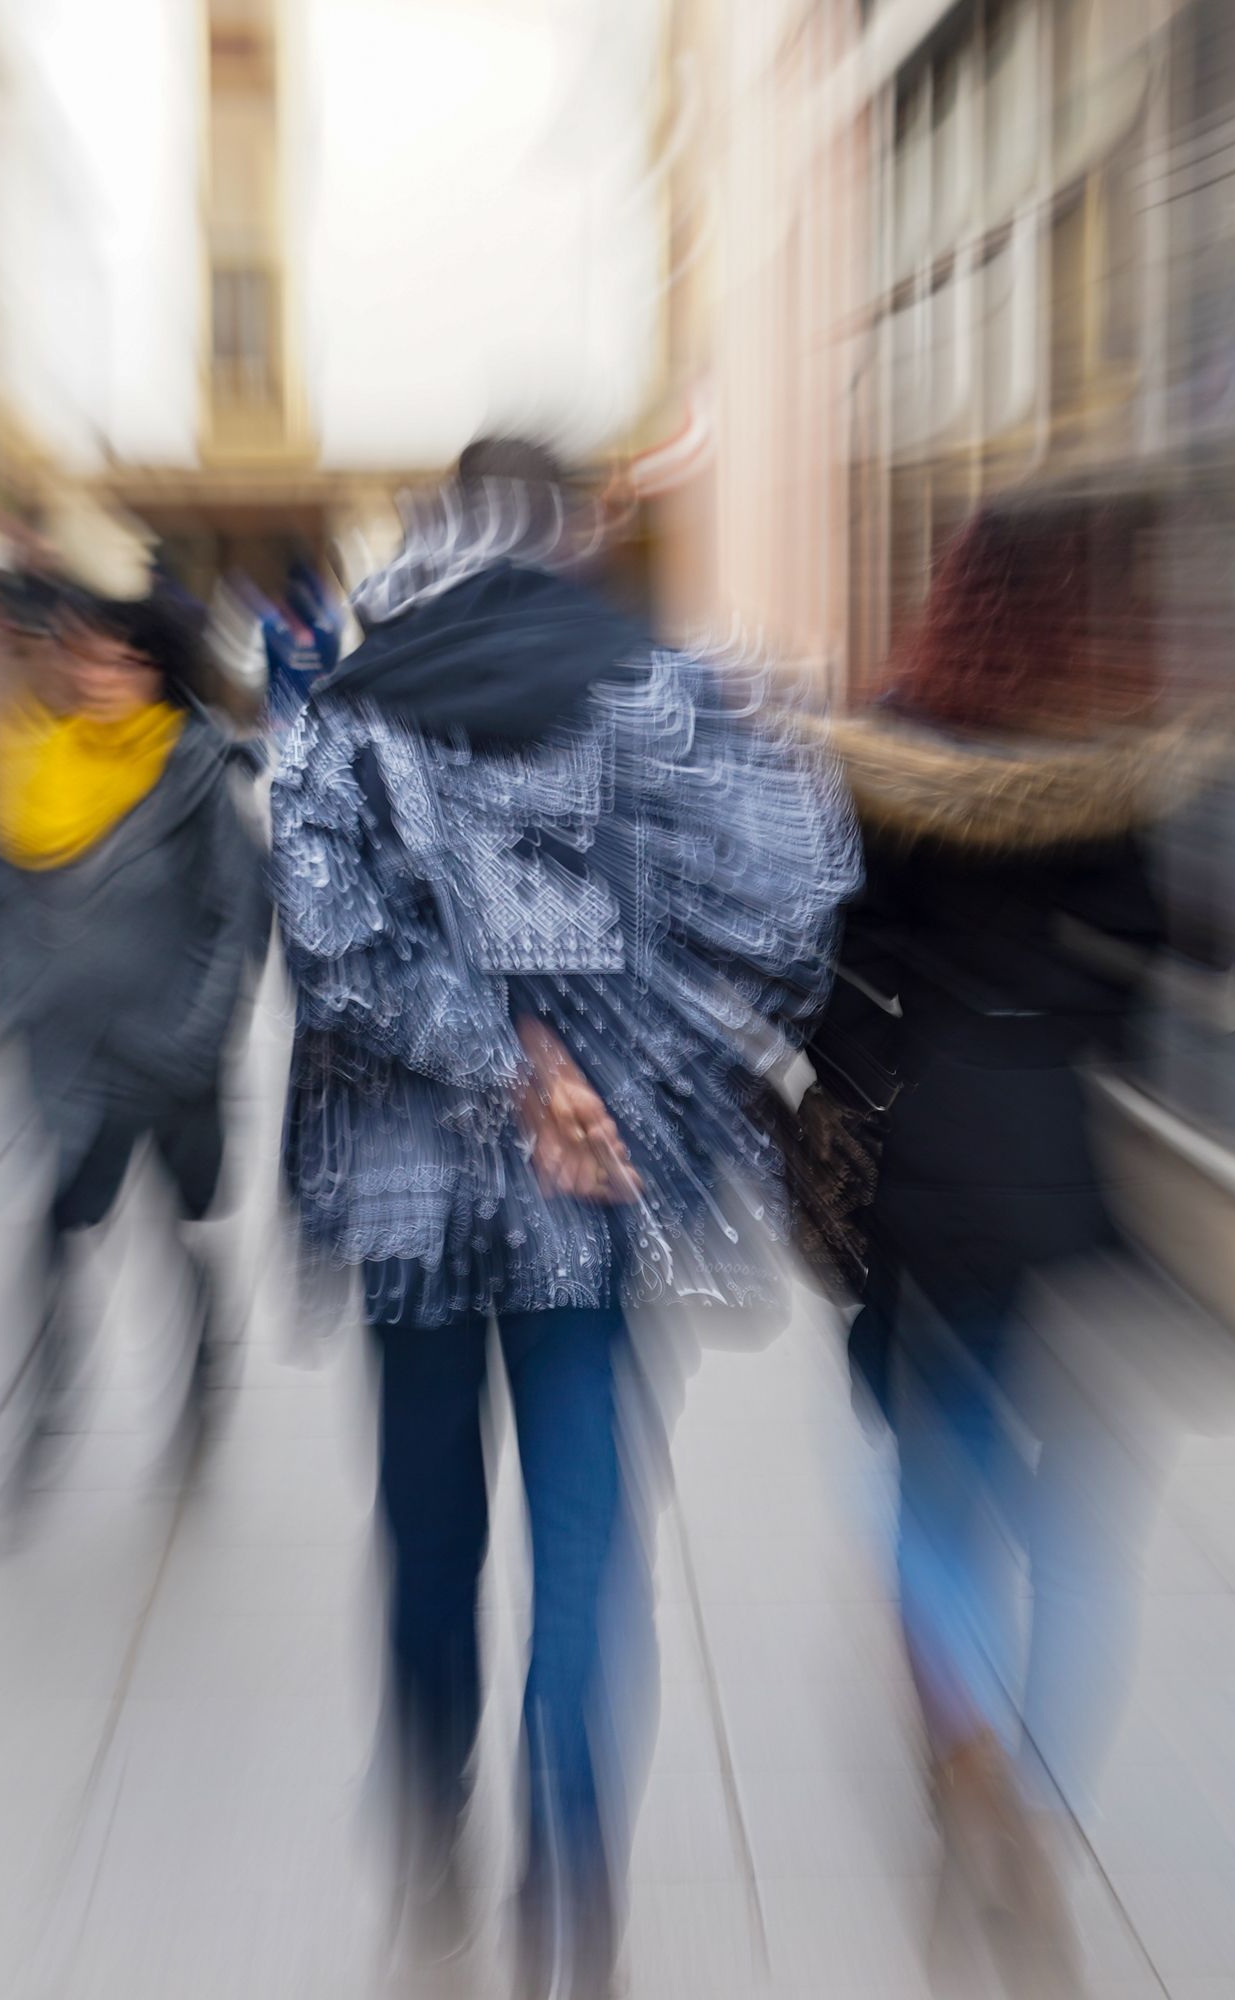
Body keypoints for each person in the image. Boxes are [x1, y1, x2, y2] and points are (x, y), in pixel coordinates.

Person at [272, 437, 857, 1998]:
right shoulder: (662, 691)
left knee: (425, 1529)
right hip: (593, 1202)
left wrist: (493, 1053)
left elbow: (328, 948)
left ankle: (426, 1814)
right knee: (588, 1540)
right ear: (574, 530)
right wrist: (621, 1061)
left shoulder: (353, 708)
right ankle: (571, 1875)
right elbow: (801, 891)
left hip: (409, 1205)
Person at [817, 488, 1229, 1976]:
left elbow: (822, 969)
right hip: (1071, 1173)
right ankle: (1037, 1803)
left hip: (920, 1166)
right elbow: (1193, 966)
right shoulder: (1131, 765)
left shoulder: (879, 749)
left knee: (930, 1477)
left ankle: (967, 1744)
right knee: (1076, 1524)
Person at [0, 583, 271, 1533]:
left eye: (122, 661)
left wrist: (193, 1037)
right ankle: (37, 1438)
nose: (98, 677)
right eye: (85, 657)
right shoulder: (34, 763)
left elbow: (239, 918)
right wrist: (15, 1001)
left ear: (160, 671)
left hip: (168, 1058)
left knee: (176, 1236)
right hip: (67, 1058)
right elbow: (3, 904)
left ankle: (200, 1400)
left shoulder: (195, 772)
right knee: (52, 1241)